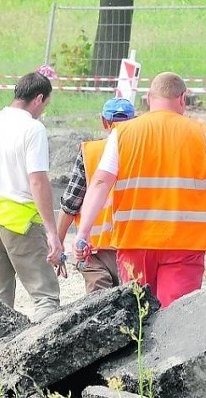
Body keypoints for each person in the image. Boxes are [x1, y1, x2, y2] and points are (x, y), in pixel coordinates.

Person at [73, 72, 206, 308]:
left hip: (135, 241)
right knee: (176, 316)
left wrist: (83, 234)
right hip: (185, 243)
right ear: (182, 98)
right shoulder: (201, 134)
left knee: (139, 313)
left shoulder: (123, 134)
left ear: (149, 98)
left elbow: (100, 183)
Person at [0, 71, 64, 322]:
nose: (44, 110)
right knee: (45, 298)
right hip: (22, 224)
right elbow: (37, 181)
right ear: (39, 98)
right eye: (45, 104)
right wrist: (52, 232)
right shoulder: (33, 128)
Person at [57, 97, 135, 293]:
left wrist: (58, 243)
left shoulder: (90, 153)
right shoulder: (142, 152)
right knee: (136, 307)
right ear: (135, 122)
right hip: (132, 247)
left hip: (94, 249)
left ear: (104, 122)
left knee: (98, 310)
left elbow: (70, 204)